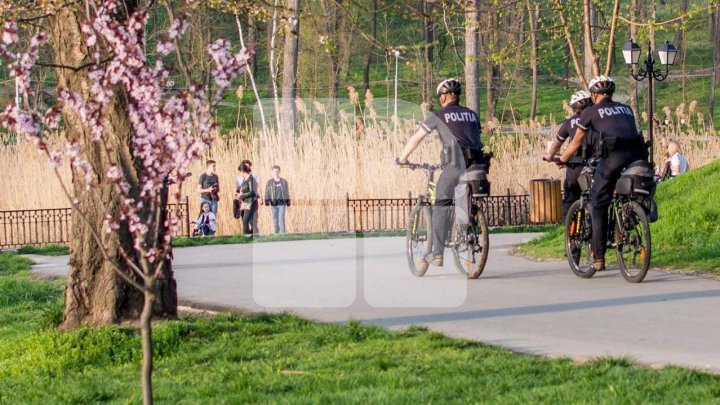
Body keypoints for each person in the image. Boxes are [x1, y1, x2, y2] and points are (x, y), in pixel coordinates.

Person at [556, 75, 648, 272]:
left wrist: (563, 159)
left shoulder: (590, 111)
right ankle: (630, 219)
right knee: (632, 191)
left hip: (613, 158)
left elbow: (577, 141)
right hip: (637, 156)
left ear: (594, 95)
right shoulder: (626, 108)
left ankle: (598, 258)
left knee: (598, 202)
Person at [397, 78, 485, 271]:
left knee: (441, 204)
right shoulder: (472, 115)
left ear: (443, 97)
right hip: (479, 166)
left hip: (454, 166)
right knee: (463, 194)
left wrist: (402, 159)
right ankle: (465, 231)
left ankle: (436, 254)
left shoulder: (439, 115)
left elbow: (416, 138)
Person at [544, 90, 594, 217]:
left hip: (575, 166)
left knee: (570, 199)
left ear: (574, 108)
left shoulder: (569, 122)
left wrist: (550, 156)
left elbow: (557, 142)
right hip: (595, 165)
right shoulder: (597, 118)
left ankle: (568, 229)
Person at [264, 165, 291, 234]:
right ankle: (277, 233)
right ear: (272, 172)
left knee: (281, 218)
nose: (275, 173)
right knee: (275, 219)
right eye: (274, 171)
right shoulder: (269, 182)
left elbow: (287, 192)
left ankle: (282, 234)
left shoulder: (284, 182)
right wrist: (267, 201)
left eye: (277, 171)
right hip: (273, 203)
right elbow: (267, 192)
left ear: (279, 171)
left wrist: (288, 203)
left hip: (282, 203)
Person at [235, 162, 258, 235]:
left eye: (240, 172)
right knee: (250, 221)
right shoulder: (245, 180)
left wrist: (241, 196)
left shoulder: (251, 179)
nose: (240, 174)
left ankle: (246, 237)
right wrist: (239, 194)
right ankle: (254, 236)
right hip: (246, 202)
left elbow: (252, 192)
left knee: (245, 220)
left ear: (242, 171)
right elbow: (244, 190)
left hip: (251, 202)